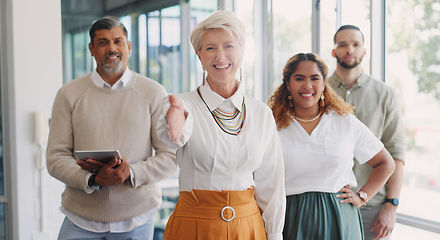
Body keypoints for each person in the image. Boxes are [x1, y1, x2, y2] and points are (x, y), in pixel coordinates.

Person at [156, 10, 285, 240]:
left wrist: (274, 234)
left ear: (243, 51)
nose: (220, 56)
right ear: (199, 55)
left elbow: (271, 185)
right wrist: (174, 119)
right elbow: (171, 135)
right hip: (194, 225)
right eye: (210, 48)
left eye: (229, 46)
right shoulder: (182, 104)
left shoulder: (260, 113)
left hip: (248, 227)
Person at [46, 16, 177, 240]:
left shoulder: (153, 92)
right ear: (91, 49)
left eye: (118, 41)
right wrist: (93, 180)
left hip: (138, 219)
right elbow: (56, 157)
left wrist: (131, 172)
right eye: (103, 42)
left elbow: (171, 156)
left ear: (129, 46)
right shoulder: (68, 95)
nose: (112, 48)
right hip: (80, 220)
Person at [267, 53, 395, 240]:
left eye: (315, 78)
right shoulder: (272, 125)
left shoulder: (344, 122)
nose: (307, 85)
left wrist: (362, 197)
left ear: (324, 83)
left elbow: (386, 163)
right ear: (287, 84)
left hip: (340, 216)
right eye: (299, 78)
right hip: (289, 217)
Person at [328, 25, 405, 240]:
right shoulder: (319, 91)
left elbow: (396, 153)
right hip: (331, 206)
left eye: (355, 44)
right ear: (333, 52)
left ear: (364, 51)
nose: (349, 50)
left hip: (374, 210)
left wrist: (392, 205)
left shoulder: (386, 94)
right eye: (342, 45)